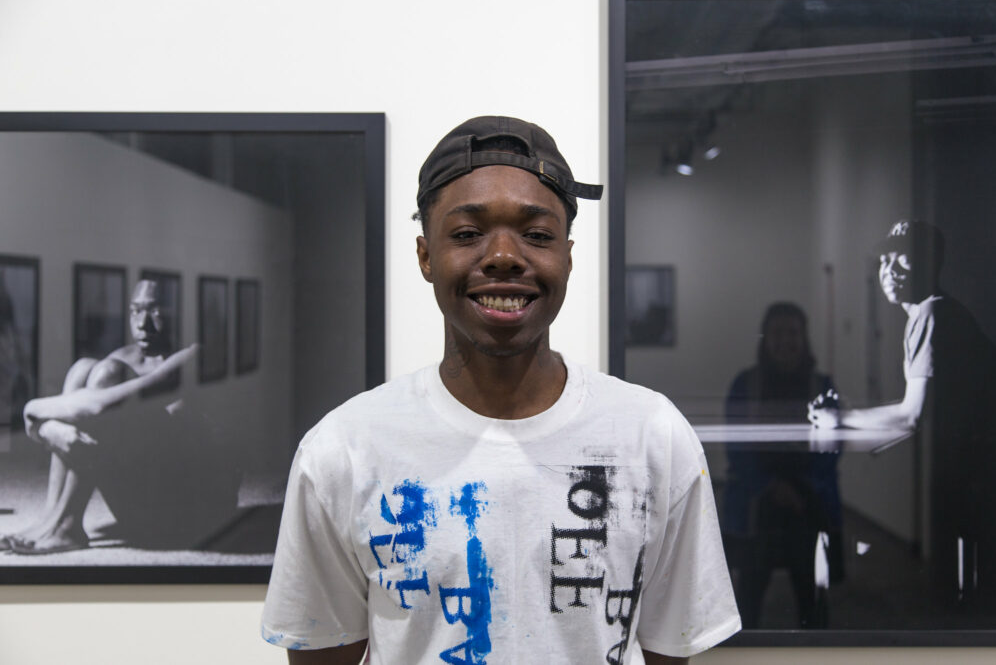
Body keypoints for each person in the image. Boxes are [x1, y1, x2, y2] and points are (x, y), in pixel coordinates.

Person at [261, 116, 741, 664]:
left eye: (537, 235)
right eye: (467, 234)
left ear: (567, 255)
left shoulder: (652, 437)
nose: (504, 256)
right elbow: (324, 653)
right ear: (425, 256)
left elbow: (668, 648)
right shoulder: (343, 450)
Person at [807, 220, 996, 607]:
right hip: (977, 473)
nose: (890, 268)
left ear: (931, 263)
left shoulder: (932, 314)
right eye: (885, 258)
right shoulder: (924, 315)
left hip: (984, 476)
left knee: (971, 598)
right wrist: (852, 418)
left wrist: (844, 421)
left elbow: (912, 417)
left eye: (903, 257)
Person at [1, 279, 201, 554]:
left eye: (154, 310)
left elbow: (97, 408)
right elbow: (86, 407)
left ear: (178, 310)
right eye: (134, 311)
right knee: (83, 369)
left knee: (107, 377)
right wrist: (55, 429)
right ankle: (51, 516)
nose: (142, 323)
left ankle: (66, 526)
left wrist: (35, 415)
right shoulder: (126, 356)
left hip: (181, 511)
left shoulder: (191, 357)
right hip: (136, 494)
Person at [722, 302, 841, 629]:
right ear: (765, 338)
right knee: (749, 597)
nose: (785, 340)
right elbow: (736, 448)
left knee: (812, 598)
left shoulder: (821, 386)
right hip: (757, 507)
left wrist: (802, 489)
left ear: (804, 338)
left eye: (792, 332)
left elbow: (832, 447)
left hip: (807, 506)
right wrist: (771, 487)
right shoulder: (746, 385)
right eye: (777, 333)